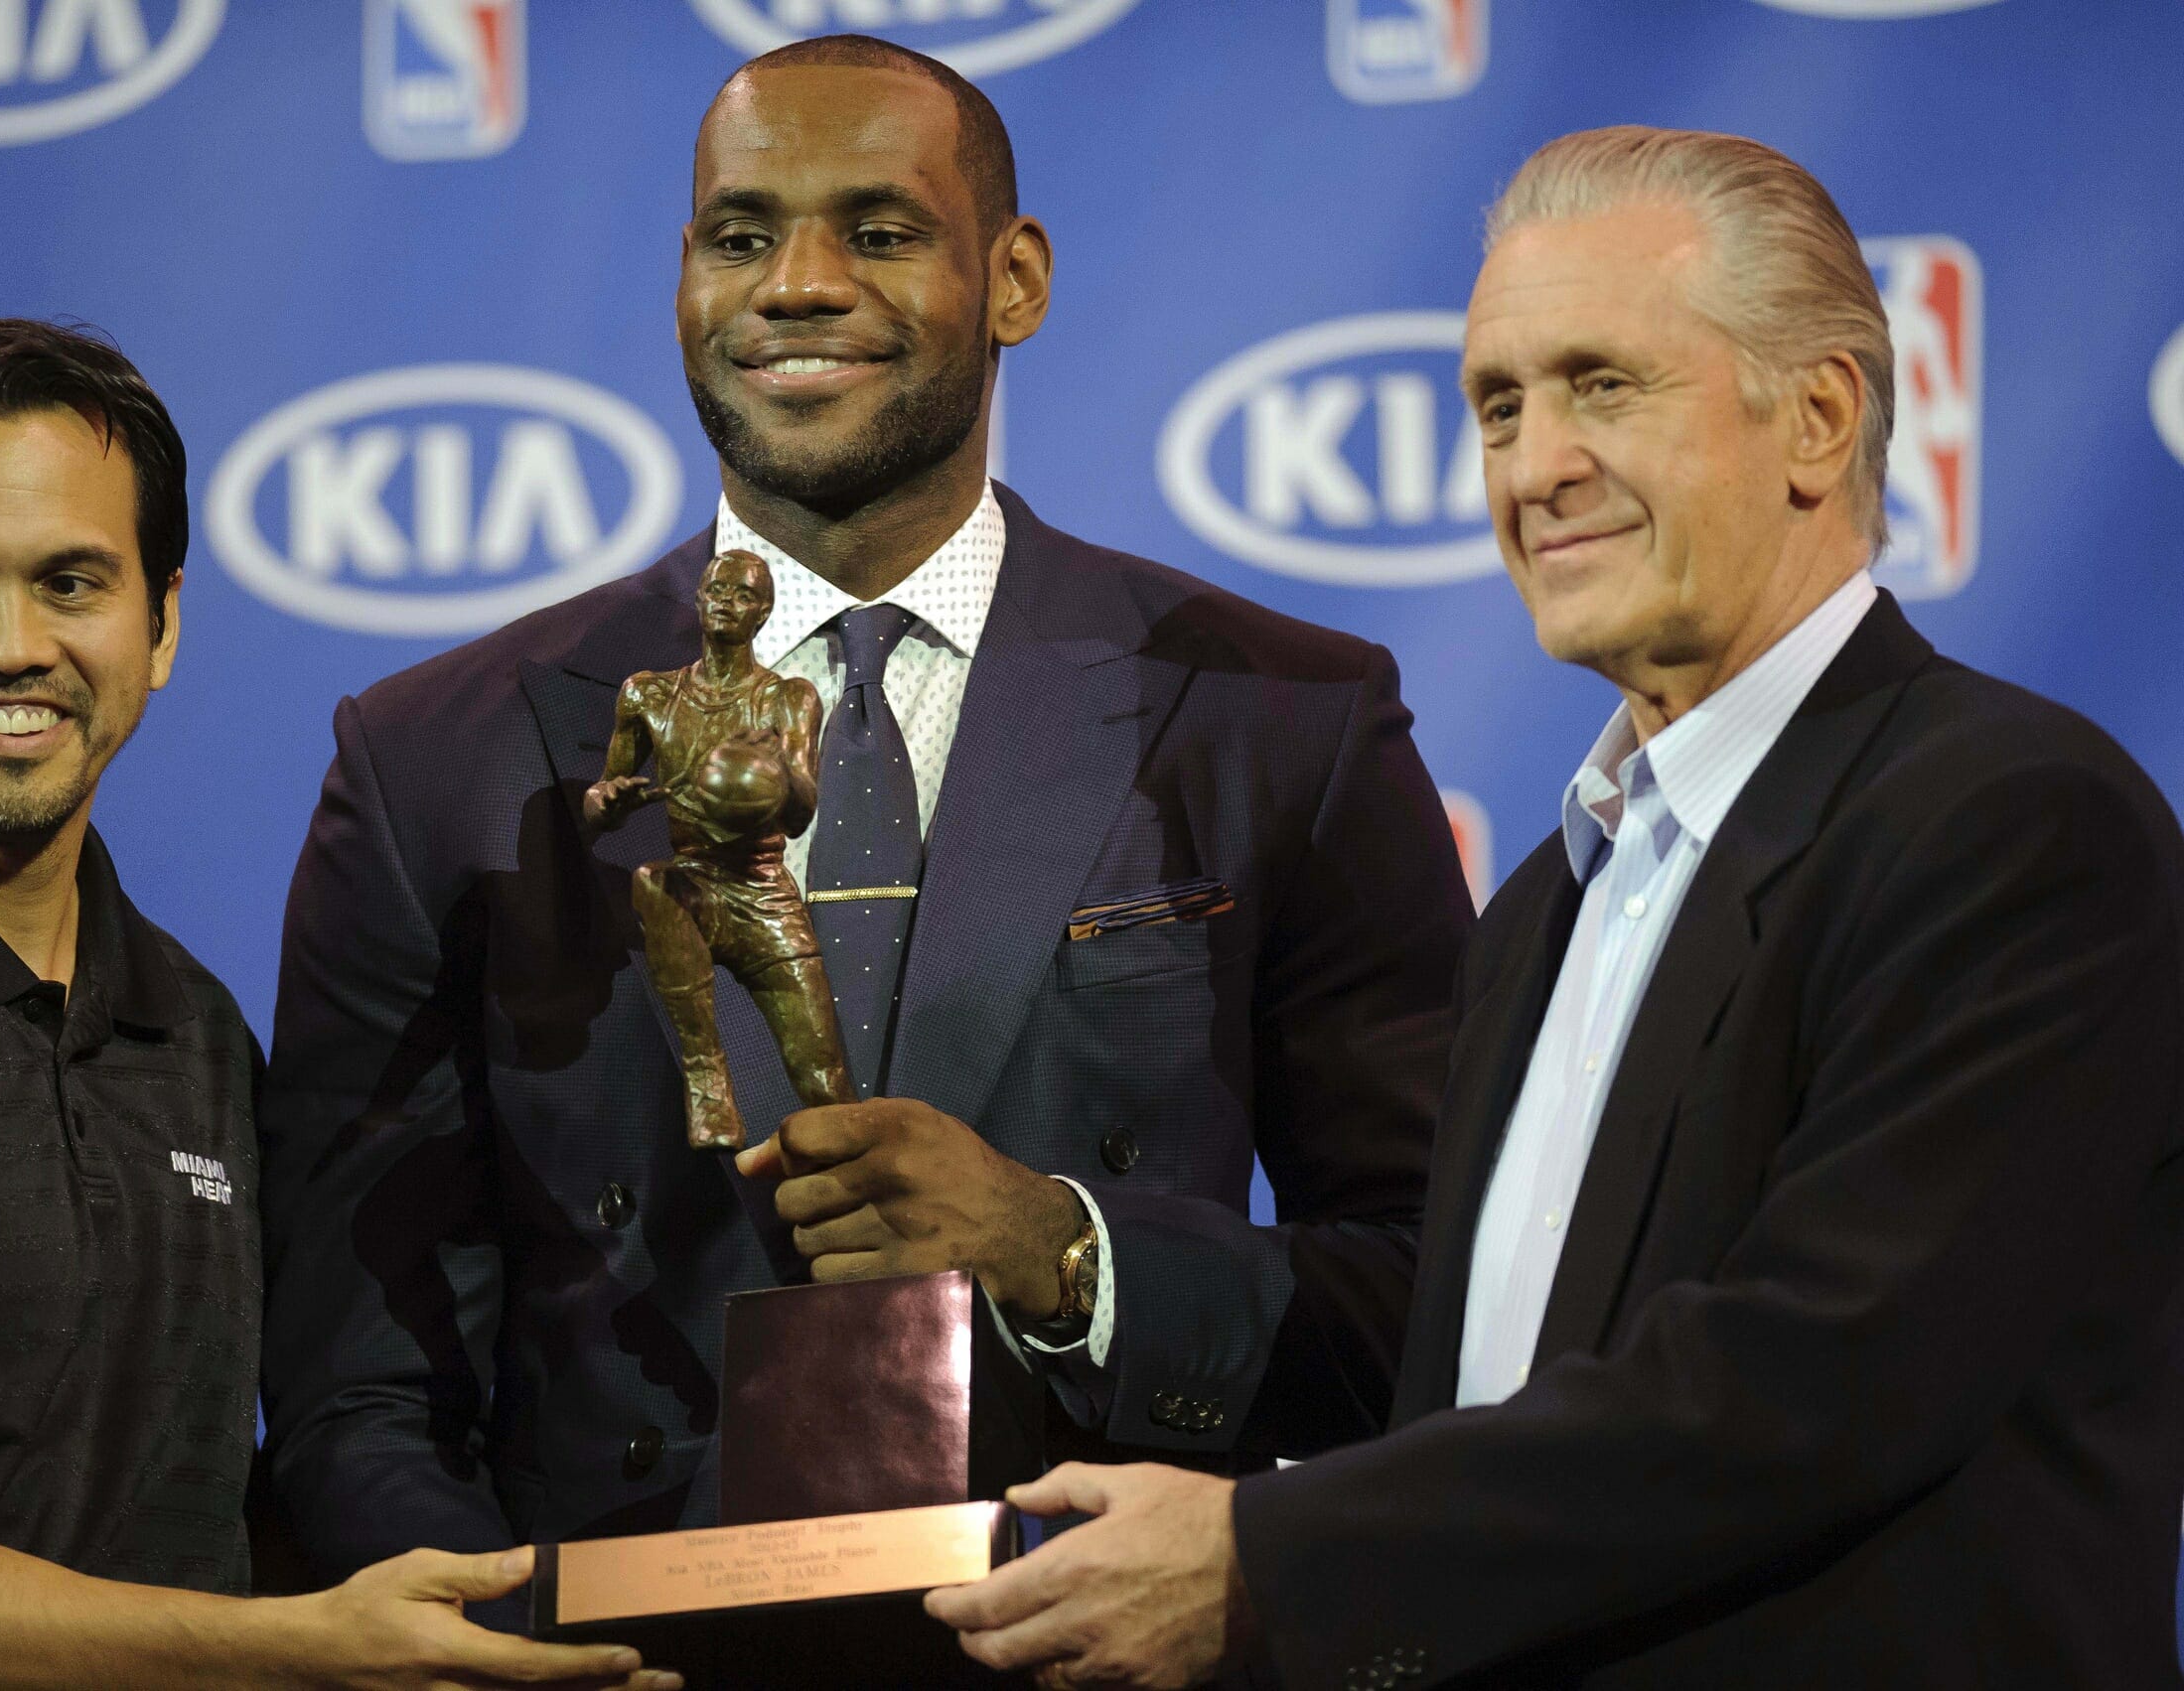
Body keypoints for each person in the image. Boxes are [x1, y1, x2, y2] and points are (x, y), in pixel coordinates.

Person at [927, 126, 2184, 1690]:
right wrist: (1067, 1255)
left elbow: (1812, 1378)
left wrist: (1267, 1556)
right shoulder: (1544, 904)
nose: (1534, 468)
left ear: (1819, 416)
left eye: (1603, 385)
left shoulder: (2011, 822)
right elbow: (1465, 1392)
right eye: (1500, 405)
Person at [256, 33, 1472, 1623]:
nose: (800, 285)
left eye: (880, 231)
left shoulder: (1279, 715)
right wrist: (515, 1634)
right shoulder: (436, 755)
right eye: (740, 235)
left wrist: (1066, 1247)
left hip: (1090, 1641)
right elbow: (357, 1380)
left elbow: (1436, 1297)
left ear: (1014, 278)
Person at [0, 320, 671, 1691]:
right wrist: (292, 1652)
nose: (12, 645)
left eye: (70, 581)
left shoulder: (194, 1026)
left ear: (162, 623)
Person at [584, 549, 850, 1148]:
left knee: (825, 1081)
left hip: (762, 890)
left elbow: (802, 814)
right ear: (699, 598)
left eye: (745, 594)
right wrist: (607, 801)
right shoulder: (649, 695)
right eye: (718, 589)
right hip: (695, 884)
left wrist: (773, 775)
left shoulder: (788, 699)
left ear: (764, 613)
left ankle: (860, 1181)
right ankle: (706, 1076)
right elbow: (597, 805)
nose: (728, 602)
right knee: (654, 879)